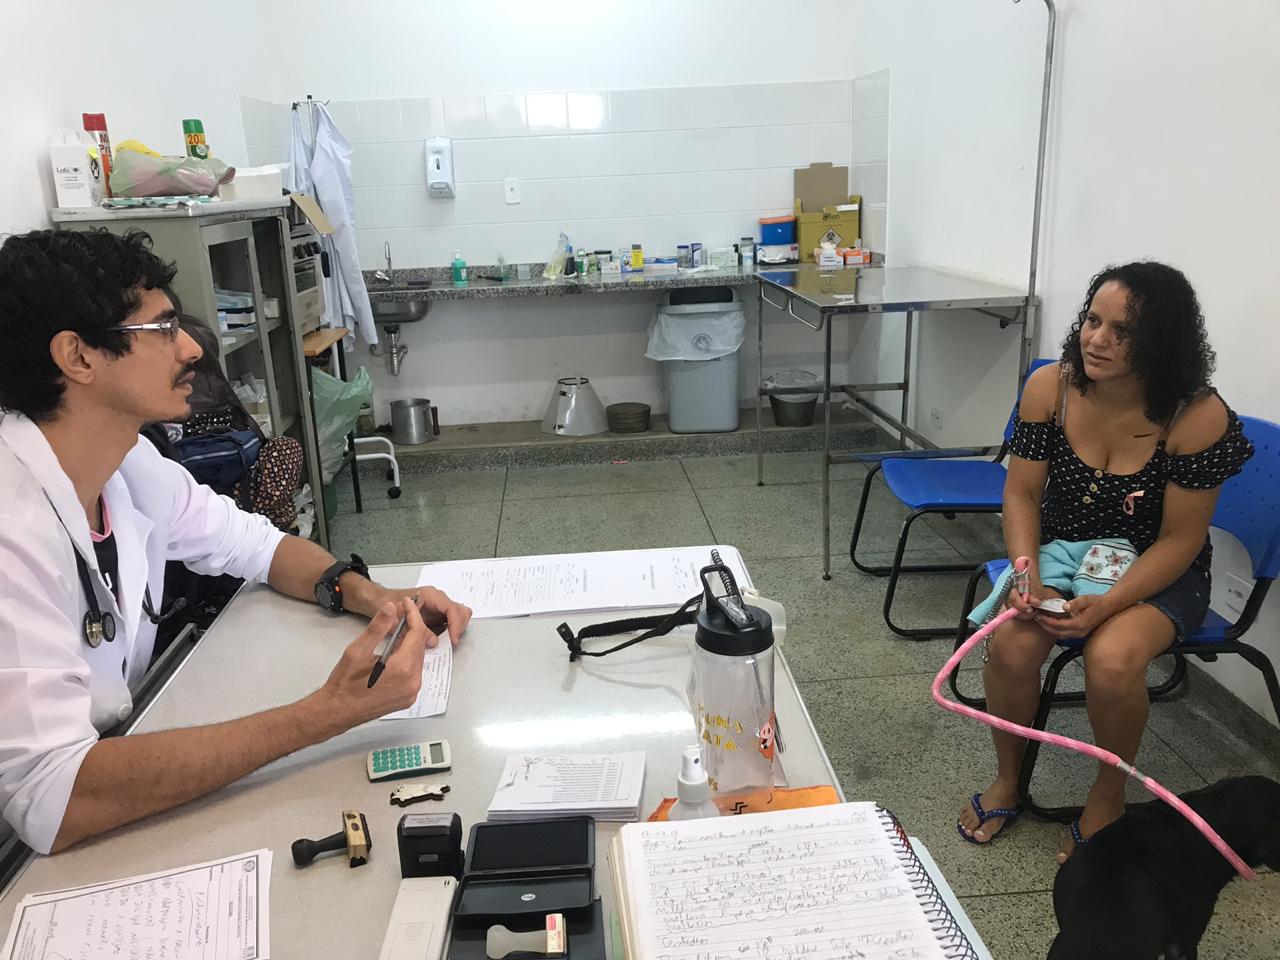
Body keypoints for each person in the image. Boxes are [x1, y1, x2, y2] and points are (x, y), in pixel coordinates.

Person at [0, 229, 472, 855]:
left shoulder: (129, 463)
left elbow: (260, 547)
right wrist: (327, 712)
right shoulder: (12, 529)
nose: (192, 348)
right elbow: (52, 798)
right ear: (78, 357)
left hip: (110, 780)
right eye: (163, 328)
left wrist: (378, 598)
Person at [956, 262, 1254, 861]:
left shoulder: (1196, 415)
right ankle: (1010, 778)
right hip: (1060, 556)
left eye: (1124, 332)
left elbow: (1180, 540)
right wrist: (1027, 574)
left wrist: (1110, 603)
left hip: (1155, 570)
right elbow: (1021, 494)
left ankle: (1108, 793)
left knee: (1113, 659)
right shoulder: (1051, 388)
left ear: (1162, 343)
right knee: (1011, 646)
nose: (1097, 339)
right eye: (1093, 321)